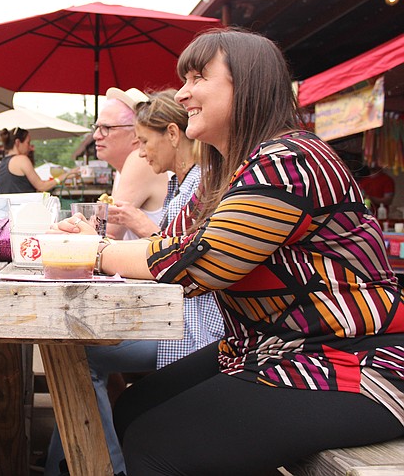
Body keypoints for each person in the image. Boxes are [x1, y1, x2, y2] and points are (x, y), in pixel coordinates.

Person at [58, 28, 404, 475]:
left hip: (359, 361)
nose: (183, 94)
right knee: (135, 408)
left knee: (156, 443)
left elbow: (197, 265)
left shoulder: (290, 159)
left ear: (249, 84)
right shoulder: (230, 170)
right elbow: (171, 245)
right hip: (276, 348)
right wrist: (91, 238)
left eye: (198, 77)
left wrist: (94, 251)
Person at [43, 90, 223, 476]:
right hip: (177, 315)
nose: (140, 154)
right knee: (76, 348)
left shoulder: (202, 183)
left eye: (143, 141)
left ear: (173, 134)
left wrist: (126, 236)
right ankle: (74, 464)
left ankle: (99, 466)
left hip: (192, 328)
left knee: (77, 352)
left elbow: (181, 256)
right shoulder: (186, 182)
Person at [91, 88, 169, 240]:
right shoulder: (123, 168)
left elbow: (105, 231)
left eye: (106, 128)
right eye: (96, 127)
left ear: (136, 133)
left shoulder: (139, 161)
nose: (96, 135)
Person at [0, 127, 77, 194]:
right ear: (17, 142)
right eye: (28, 143)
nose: (30, 147)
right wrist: (64, 176)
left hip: (8, 211)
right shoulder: (21, 160)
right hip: (25, 209)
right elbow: (41, 186)